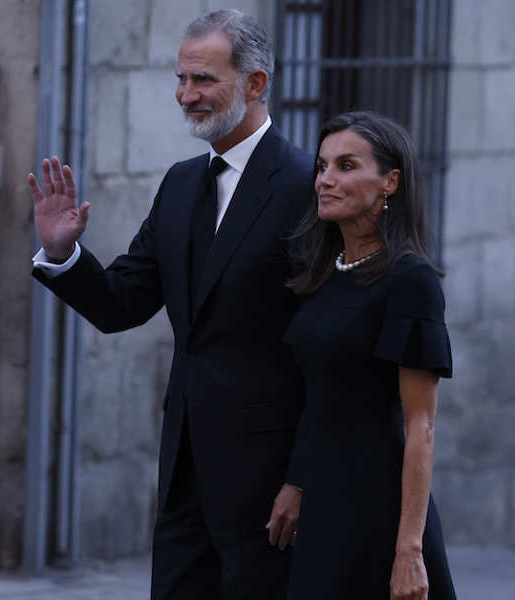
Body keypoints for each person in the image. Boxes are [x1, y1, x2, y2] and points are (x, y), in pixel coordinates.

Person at [28, 9, 313, 600]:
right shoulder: (181, 183)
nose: (187, 95)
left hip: (270, 477)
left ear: (256, 83)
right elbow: (120, 304)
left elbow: (326, 347)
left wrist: (303, 478)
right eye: (181, 79)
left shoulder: (306, 185)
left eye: (204, 80)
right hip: (185, 467)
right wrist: (63, 252)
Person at [284, 111, 456, 599]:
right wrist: (296, 483)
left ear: (390, 182)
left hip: (379, 508)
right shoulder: (321, 275)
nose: (325, 180)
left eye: (345, 166)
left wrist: (409, 550)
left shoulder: (410, 280)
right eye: (321, 167)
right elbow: (318, 398)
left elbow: (421, 425)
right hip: (322, 504)